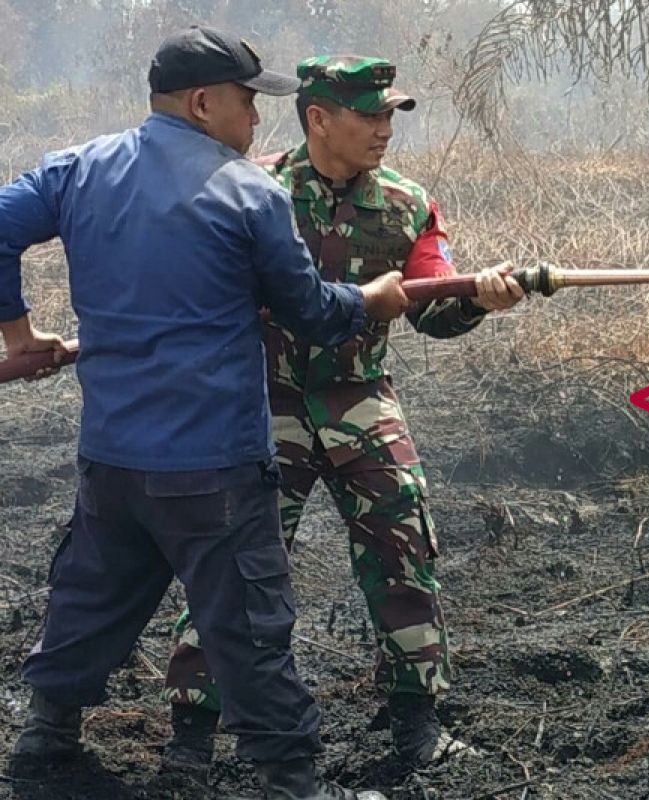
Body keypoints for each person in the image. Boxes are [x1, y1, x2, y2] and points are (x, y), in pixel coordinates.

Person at [0, 26, 409, 800]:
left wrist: (16, 333)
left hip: (113, 461)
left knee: (90, 601)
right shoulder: (250, 191)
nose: (257, 120)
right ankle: (293, 783)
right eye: (248, 103)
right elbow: (311, 313)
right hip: (213, 470)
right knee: (251, 628)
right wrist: (370, 300)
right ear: (202, 102)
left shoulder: (80, 169)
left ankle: (42, 749)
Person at [160, 54, 524, 776]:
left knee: (405, 534)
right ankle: (192, 734)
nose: (385, 129)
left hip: (358, 394)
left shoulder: (406, 204)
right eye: (370, 114)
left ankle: (416, 720)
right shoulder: (250, 189)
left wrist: (478, 299)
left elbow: (432, 306)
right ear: (319, 118)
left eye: (391, 114)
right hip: (261, 399)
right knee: (233, 559)